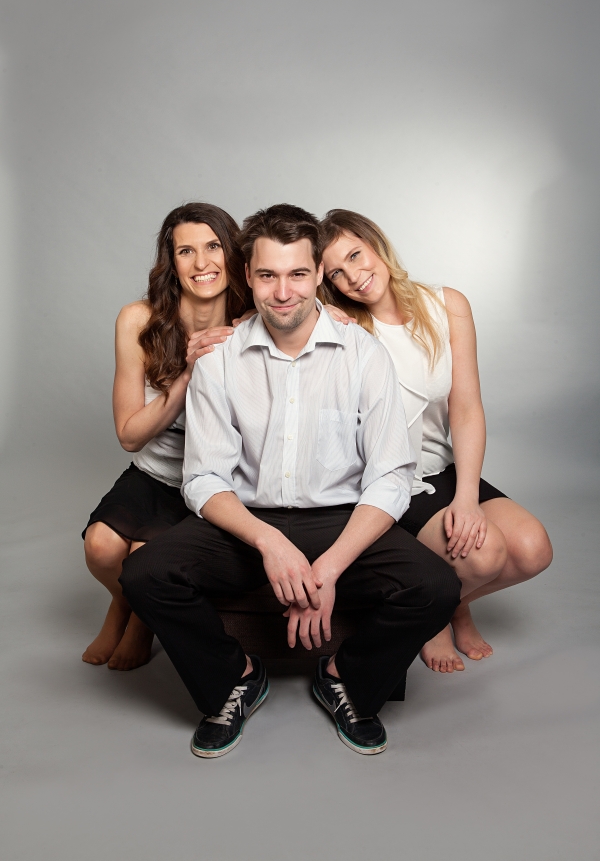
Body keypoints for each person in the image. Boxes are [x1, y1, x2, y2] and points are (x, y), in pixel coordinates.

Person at [119, 203, 461, 757]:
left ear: (319, 274)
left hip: (339, 519)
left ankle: (343, 678)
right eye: (267, 275)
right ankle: (236, 678)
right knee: (144, 574)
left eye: (298, 273)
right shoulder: (220, 359)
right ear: (247, 276)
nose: (283, 292)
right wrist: (270, 543)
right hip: (247, 522)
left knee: (437, 587)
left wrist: (328, 568)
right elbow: (203, 477)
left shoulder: (363, 354)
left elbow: (391, 477)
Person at [320, 209, 553, 673]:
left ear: (375, 244)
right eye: (336, 274)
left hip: (441, 467)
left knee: (533, 549)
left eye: (355, 255)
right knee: (485, 556)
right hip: (393, 480)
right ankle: (434, 617)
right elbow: (267, 309)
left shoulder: (446, 304)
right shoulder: (346, 328)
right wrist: (317, 310)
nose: (354, 277)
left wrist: (466, 497)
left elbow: (466, 409)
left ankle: (450, 604)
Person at [81, 202, 250, 671]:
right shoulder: (138, 319)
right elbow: (129, 435)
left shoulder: (251, 321)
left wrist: (331, 314)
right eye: (186, 251)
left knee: (143, 557)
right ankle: (124, 602)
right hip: (154, 472)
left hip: (214, 482)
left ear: (232, 253)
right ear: (170, 262)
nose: (202, 263)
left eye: (213, 247)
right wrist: (187, 375)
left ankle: (141, 621)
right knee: (101, 547)